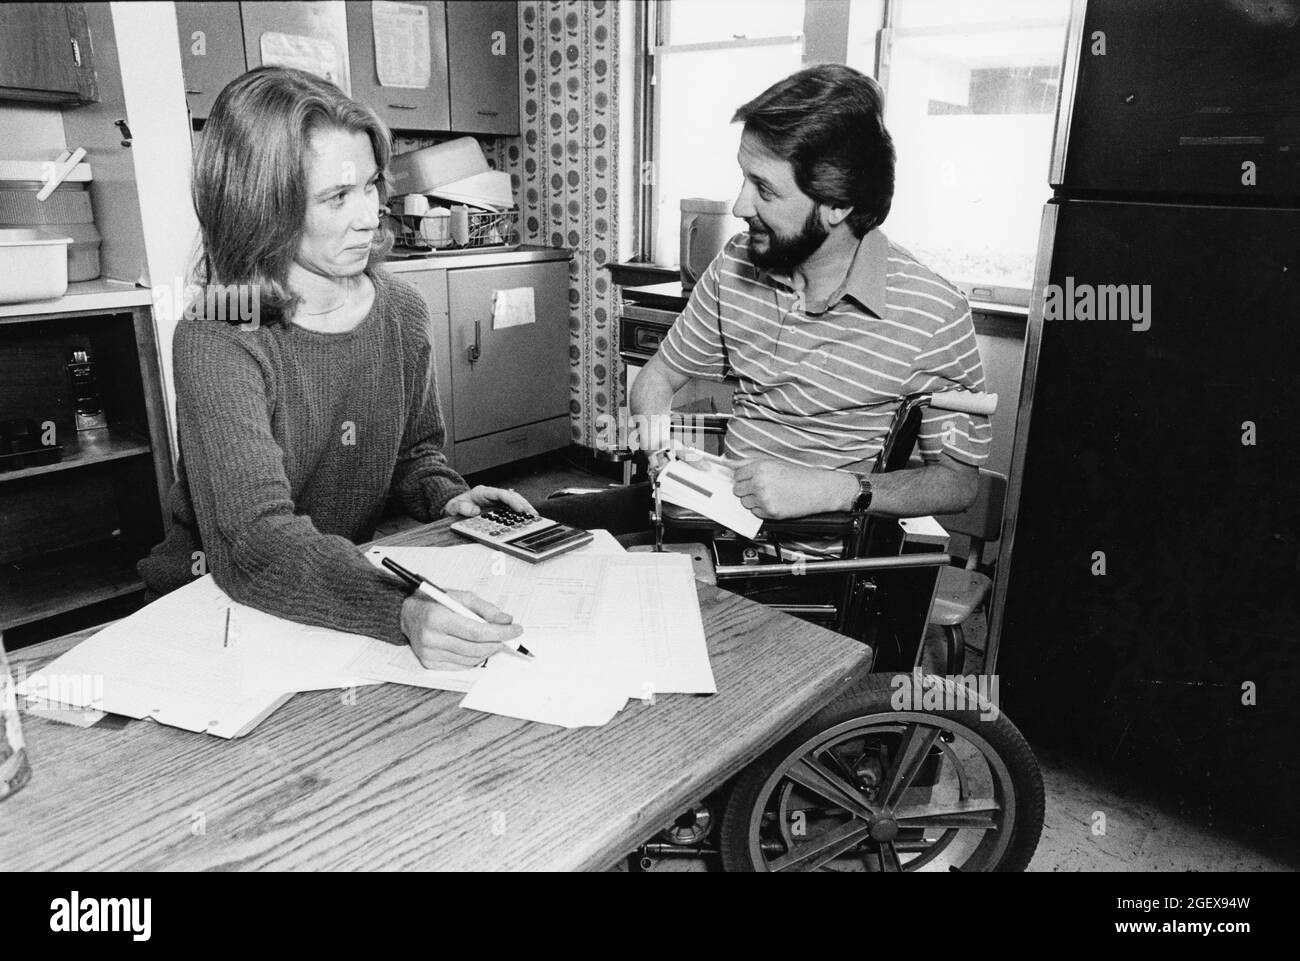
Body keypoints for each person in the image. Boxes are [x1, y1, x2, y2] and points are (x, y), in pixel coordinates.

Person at [138, 66, 533, 671]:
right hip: (214, 608)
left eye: (372, 186)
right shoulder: (217, 333)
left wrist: (449, 496)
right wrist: (396, 608)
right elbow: (254, 540)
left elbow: (414, 456)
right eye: (335, 197)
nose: (370, 216)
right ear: (260, 208)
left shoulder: (401, 310)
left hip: (339, 587)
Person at [545, 64, 990, 541]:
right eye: (744, 178)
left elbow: (957, 483)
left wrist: (834, 489)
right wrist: (661, 452)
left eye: (765, 189)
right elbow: (657, 378)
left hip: (807, 558)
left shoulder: (935, 312)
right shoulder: (736, 264)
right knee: (529, 531)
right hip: (708, 518)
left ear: (838, 204)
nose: (739, 206)